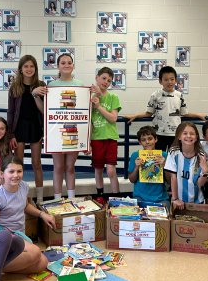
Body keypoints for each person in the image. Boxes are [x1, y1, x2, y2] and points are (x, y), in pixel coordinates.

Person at [0, 156, 56, 275]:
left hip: (16, 234)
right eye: (11, 171)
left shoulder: (23, 186)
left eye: (19, 171)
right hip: (0, 235)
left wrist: (42, 214)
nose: (16, 175)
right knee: (35, 252)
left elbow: (25, 205)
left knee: (42, 263)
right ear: (2, 174)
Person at [124, 66, 206, 152]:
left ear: (176, 80)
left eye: (172, 79)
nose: (169, 82)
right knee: (158, 158)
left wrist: (198, 115)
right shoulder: (155, 95)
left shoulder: (179, 95)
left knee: (174, 158)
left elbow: (183, 113)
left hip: (175, 134)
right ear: (160, 81)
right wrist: (135, 116)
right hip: (159, 134)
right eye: (166, 79)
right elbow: (149, 113)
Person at [46, 53, 85, 200]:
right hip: (57, 131)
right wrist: (36, 95)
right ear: (58, 66)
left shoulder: (80, 85)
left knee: (70, 167)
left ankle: (71, 198)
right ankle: (57, 199)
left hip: (74, 128)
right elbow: (46, 110)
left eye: (69, 62)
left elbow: (84, 109)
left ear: (73, 65)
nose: (66, 65)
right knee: (58, 167)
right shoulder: (51, 86)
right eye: (63, 63)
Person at [7, 56, 46, 203]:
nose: (29, 69)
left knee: (36, 163)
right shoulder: (15, 87)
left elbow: (46, 110)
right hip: (19, 128)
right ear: (21, 69)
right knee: (18, 164)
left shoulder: (41, 85)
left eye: (32, 66)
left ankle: (40, 198)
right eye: (26, 66)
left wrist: (45, 132)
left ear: (35, 68)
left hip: (36, 126)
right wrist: (11, 134)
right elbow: (10, 112)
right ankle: (18, 197)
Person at [89, 67, 121, 200]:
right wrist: (88, 142)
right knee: (98, 170)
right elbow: (87, 121)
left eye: (109, 80)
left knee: (111, 171)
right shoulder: (89, 97)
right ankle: (100, 196)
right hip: (96, 138)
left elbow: (113, 118)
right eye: (103, 78)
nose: (106, 82)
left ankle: (117, 198)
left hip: (110, 138)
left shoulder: (113, 97)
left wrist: (99, 107)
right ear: (97, 77)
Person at [166, 121, 208, 208]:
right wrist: (175, 199)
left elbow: (200, 184)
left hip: (197, 200)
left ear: (196, 137)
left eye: (192, 134)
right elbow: (173, 177)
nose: (189, 136)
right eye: (185, 133)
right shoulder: (173, 152)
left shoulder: (202, 156)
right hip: (178, 199)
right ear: (179, 137)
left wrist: (205, 171)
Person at [128, 126, 169, 209]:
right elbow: (132, 180)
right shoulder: (135, 155)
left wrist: (165, 166)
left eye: (150, 139)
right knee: (135, 217)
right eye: (143, 140)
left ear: (156, 139)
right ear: (140, 142)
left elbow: (169, 181)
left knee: (166, 217)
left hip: (161, 198)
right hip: (140, 197)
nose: (147, 142)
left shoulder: (164, 155)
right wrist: (136, 168)